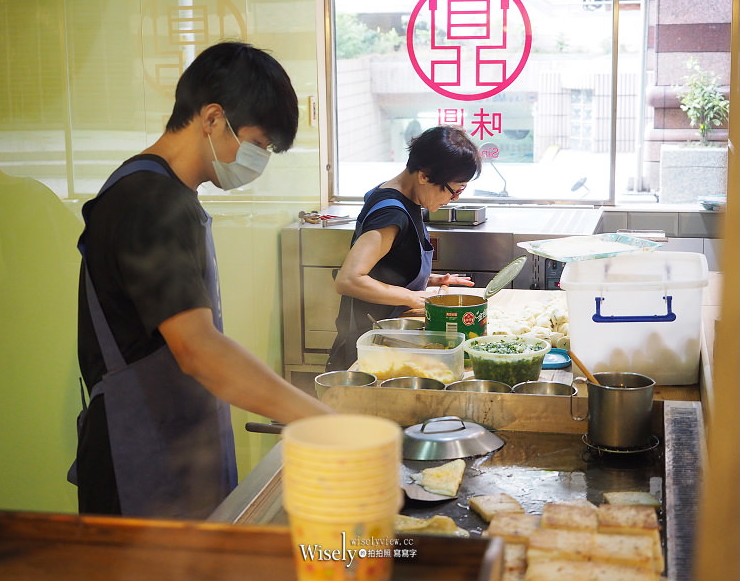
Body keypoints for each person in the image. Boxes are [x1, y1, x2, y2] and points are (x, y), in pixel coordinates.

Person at [74, 41, 333, 519]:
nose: (259, 160)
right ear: (212, 117)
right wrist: (323, 420)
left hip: (172, 444)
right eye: (258, 144)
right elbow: (197, 348)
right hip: (139, 465)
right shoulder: (147, 200)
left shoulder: (168, 194)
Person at [326, 125, 481, 372]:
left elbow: (386, 265)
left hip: (389, 335)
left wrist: (429, 279)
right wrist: (413, 297)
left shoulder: (402, 195)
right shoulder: (391, 213)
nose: (455, 199)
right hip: (372, 345)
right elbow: (349, 280)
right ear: (424, 176)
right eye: (455, 190)